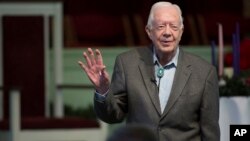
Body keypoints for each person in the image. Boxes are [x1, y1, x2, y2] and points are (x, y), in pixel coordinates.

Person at [78, 1, 220, 141]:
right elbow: (112, 116)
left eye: (174, 27)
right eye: (161, 26)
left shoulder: (204, 72)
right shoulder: (127, 64)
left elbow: (210, 132)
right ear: (149, 31)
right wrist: (103, 89)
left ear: (181, 32)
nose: (167, 33)